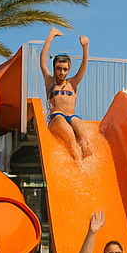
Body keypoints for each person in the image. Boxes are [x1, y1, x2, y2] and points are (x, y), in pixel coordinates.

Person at [39, 27, 92, 162]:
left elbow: (84, 66)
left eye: (64, 69)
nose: (61, 72)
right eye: (58, 69)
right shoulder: (50, 82)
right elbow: (43, 61)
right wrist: (51, 36)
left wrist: (85, 47)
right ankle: (79, 166)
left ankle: (88, 165)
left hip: (72, 116)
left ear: (69, 69)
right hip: (56, 116)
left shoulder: (72, 83)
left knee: (85, 139)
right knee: (70, 137)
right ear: (54, 68)